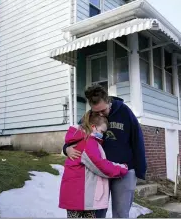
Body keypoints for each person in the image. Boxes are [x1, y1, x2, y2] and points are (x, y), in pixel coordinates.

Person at [63, 84, 147, 218]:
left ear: (108, 101)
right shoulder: (89, 116)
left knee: (121, 213)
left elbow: (137, 140)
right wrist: (66, 148)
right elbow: (76, 136)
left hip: (124, 171)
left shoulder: (125, 112)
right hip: (99, 172)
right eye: (97, 112)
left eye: (103, 110)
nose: (101, 114)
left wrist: (140, 169)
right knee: (97, 212)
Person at [59, 111, 129, 218]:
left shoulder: (80, 137)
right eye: (102, 131)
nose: (103, 134)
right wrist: (121, 168)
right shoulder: (88, 142)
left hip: (75, 194)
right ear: (93, 127)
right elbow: (100, 166)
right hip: (82, 196)